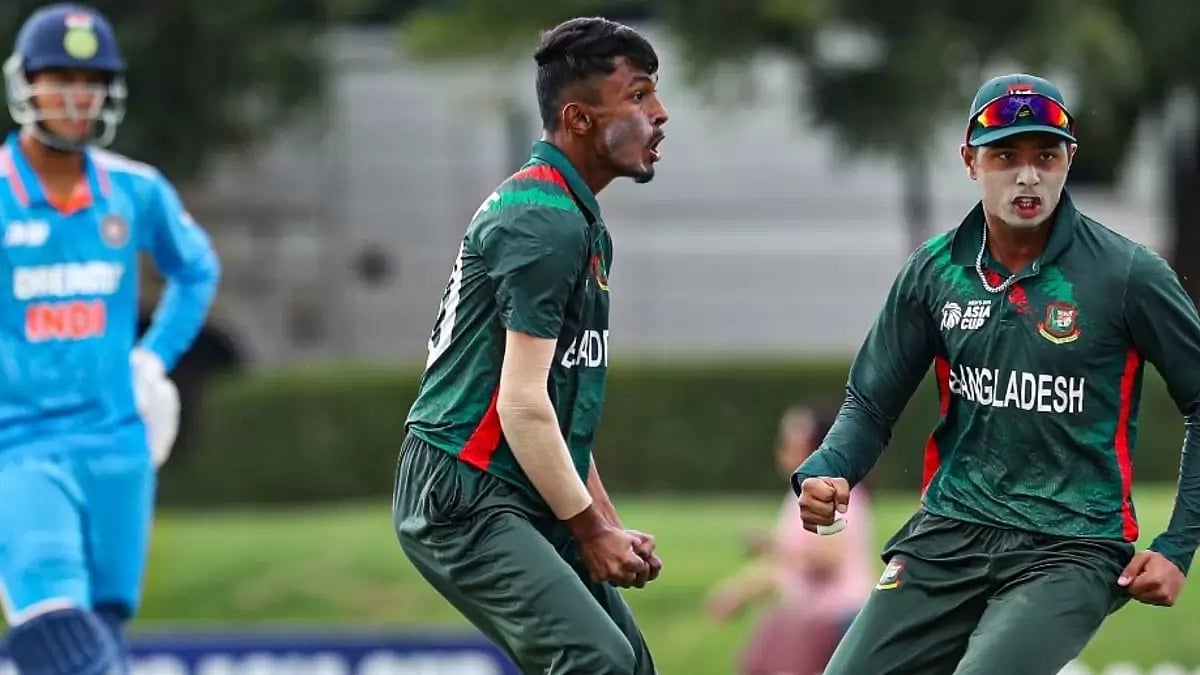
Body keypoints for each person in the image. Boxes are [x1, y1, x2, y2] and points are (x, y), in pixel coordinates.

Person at [793, 72, 1200, 675]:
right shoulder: (933, 271)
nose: (1027, 175)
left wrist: (1178, 547)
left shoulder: (1128, 274)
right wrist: (827, 468)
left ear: (1069, 160)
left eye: (1046, 156)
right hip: (948, 533)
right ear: (970, 161)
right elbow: (870, 404)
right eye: (1005, 155)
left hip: (1071, 547)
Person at [392, 16, 669, 675]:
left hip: (515, 474)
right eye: (637, 95)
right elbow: (519, 405)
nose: (660, 114)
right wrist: (590, 528)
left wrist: (604, 522)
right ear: (578, 118)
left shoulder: (573, 216)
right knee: (594, 660)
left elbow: (554, 409)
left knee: (628, 663)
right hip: (464, 486)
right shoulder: (544, 221)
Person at [0, 4, 221, 674]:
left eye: (91, 81)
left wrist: (152, 359)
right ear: (25, 83)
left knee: (102, 630)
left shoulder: (133, 189)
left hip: (118, 442)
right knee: (58, 634)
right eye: (60, 79)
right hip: (20, 446)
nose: (77, 96)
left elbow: (196, 269)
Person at [708, 406, 874, 675]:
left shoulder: (834, 492)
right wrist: (738, 593)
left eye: (792, 441)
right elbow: (787, 568)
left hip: (837, 619)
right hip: (810, 618)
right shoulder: (800, 495)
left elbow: (828, 560)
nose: (783, 449)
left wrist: (773, 544)